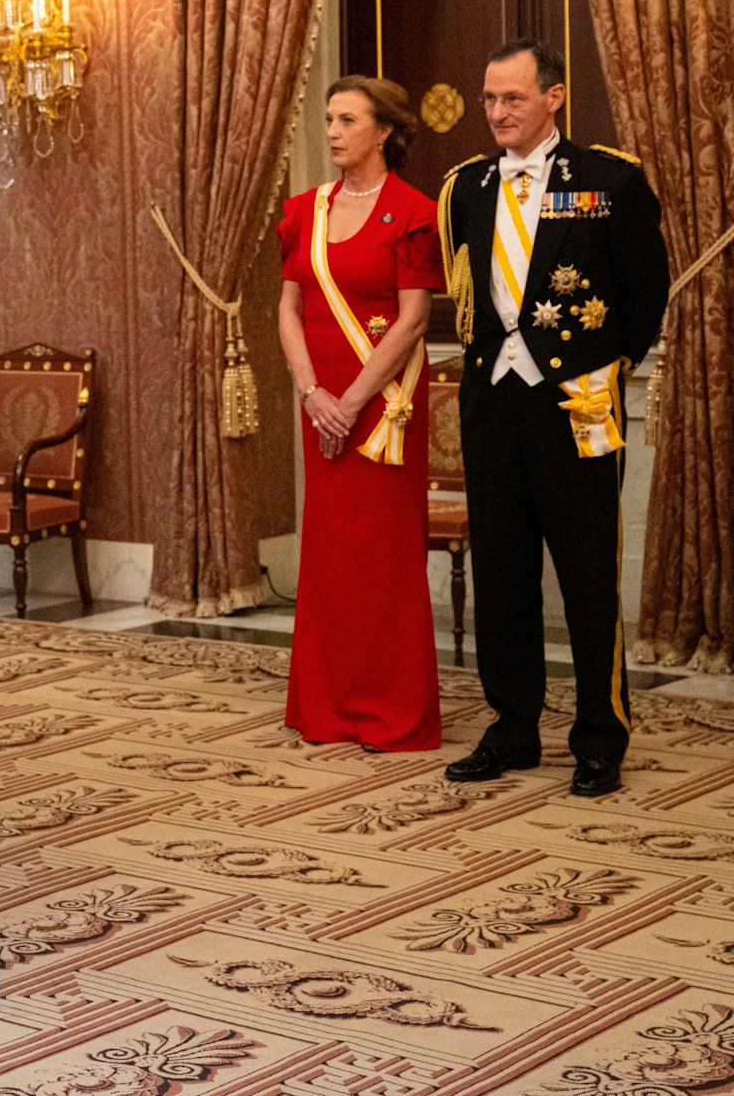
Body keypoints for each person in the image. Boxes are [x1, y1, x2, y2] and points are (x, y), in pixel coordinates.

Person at [439, 39, 669, 798]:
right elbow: (468, 293)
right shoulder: (466, 187)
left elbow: (646, 296)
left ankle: (600, 737)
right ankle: (512, 728)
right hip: (493, 404)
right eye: (489, 99)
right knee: (504, 573)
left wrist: (607, 367)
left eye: (512, 98)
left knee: (588, 575)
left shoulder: (608, 182)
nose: (497, 113)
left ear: (554, 98)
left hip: (576, 404)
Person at [275, 76, 443, 753]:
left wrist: (349, 401)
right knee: (330, 554)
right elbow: (286, 307)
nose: (334, 132)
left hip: (384, 406)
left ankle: (391, 710)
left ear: (385, 131)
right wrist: (312, 391)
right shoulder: (303, 210)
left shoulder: (412, 211)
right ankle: (329, 704)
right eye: (329, 119)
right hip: (321, 403)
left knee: (383, 558)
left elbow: (412, 320)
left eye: (348, 120)